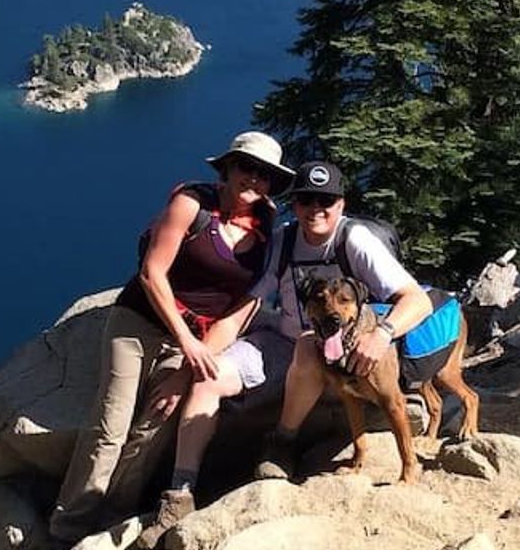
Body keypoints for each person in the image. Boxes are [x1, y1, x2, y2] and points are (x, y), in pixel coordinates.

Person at [136, 160, 432, 546]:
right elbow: (243, 308)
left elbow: (417, 301)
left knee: (310, 346)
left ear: (341, 203)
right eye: (306, 200)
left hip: (343, 355)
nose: (316, 209)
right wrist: (189, 370)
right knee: (209, 381)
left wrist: (382, 335)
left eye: (326, 200)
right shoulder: (284, 240)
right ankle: (180, 492)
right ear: (295, 205)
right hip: (282, 343)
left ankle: (282, 443)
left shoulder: (354, 240)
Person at [48, 131, 294, 547]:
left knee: (157, 422)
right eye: (246, 168)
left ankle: (112, 518)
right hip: (138, 323)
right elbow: (152, 273)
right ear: (228, 169)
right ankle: (67, 525)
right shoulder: (193, 204)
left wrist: (187, 370)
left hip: (195, 340)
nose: (254, 179)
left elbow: (237, 314)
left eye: (264, 174)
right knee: (111, 424)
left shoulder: (268, 230)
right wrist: (187, 341)